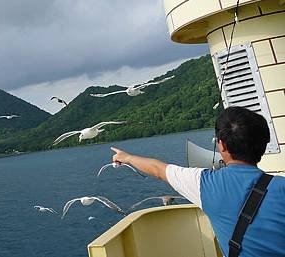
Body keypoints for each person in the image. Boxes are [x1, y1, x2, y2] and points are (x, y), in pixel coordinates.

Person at [111, 106, 285, 257]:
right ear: (263, 145)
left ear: (222, 146)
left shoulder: (205, 184)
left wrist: (127, 157)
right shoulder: (282, 186)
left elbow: (158, 170)